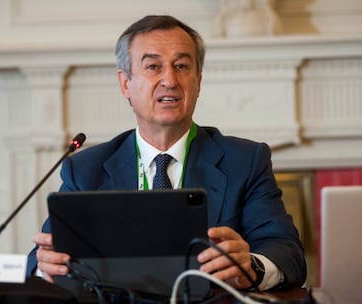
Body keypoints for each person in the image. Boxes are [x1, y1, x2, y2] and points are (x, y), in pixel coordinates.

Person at [26, 15, 306, 291]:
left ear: (198, 80)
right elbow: (37, 262)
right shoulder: (87, 169)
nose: (170, 80)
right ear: (125, 84)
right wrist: (44, 267)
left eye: (182, 66)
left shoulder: (244, 161)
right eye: (153, 67)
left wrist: (252, 268)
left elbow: (287, 252)